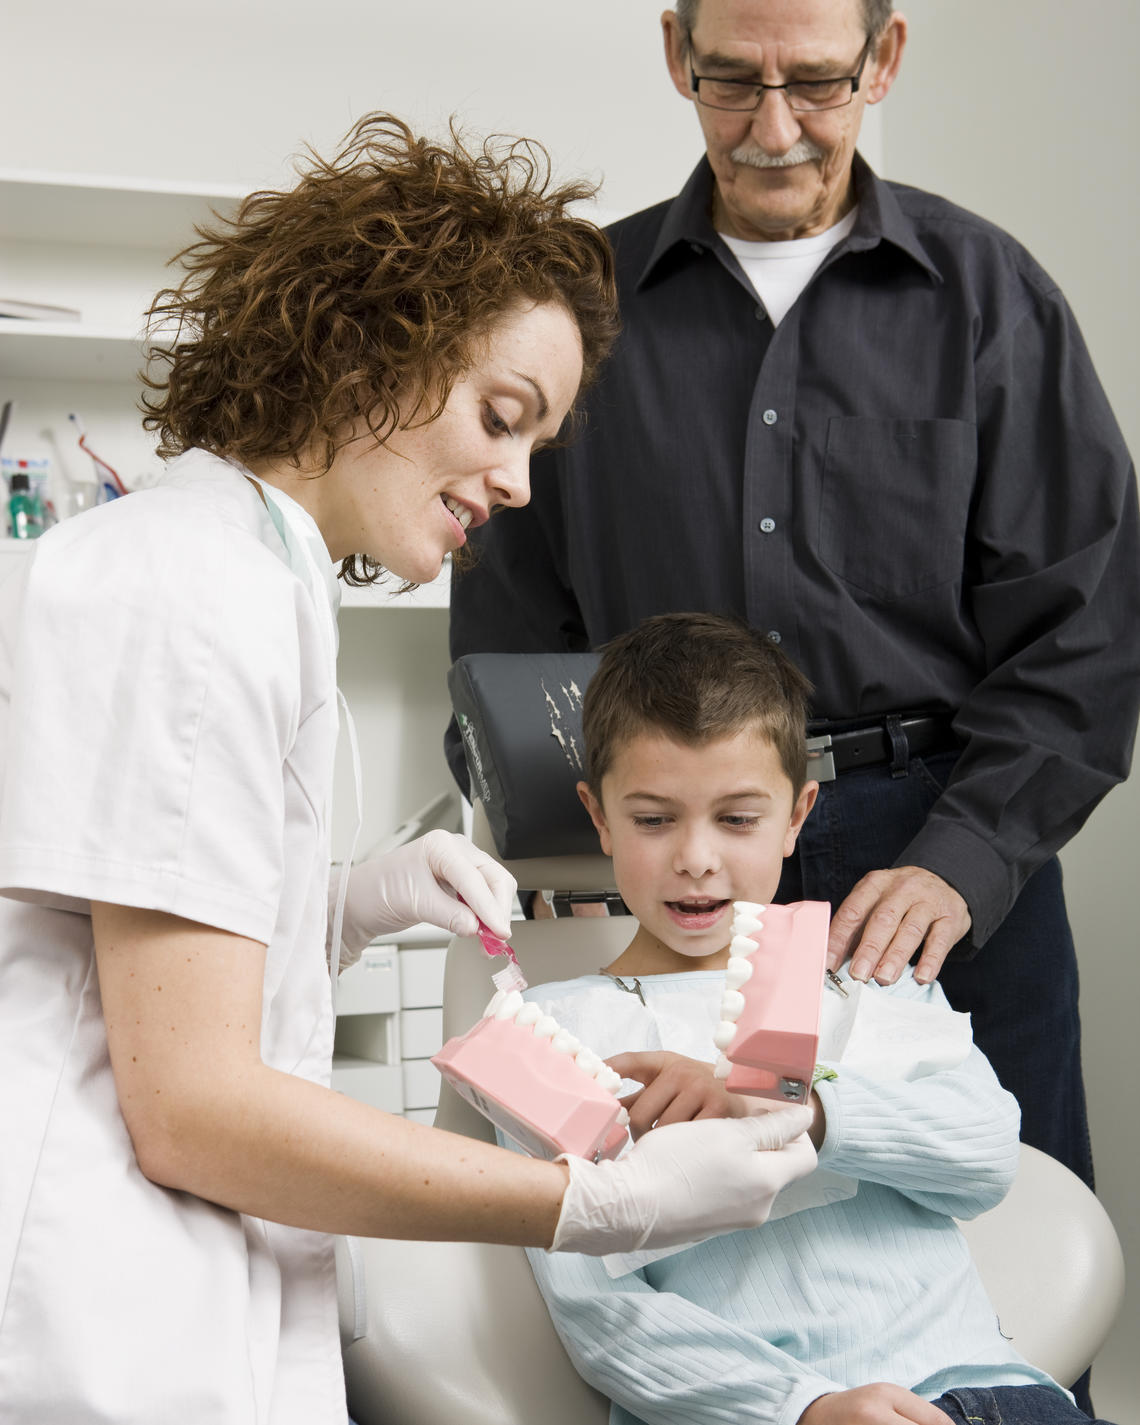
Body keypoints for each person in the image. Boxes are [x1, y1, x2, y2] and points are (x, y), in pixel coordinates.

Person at [0, 116, 818, 1424]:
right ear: (367, 350)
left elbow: (144, 954)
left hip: (183, 1294)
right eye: (501, 418)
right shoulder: (191, 582)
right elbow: (194, 1105)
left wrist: (341, 906)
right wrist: (589, 1204)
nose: (513, 481)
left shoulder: (254, 580)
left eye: (537, 446)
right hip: (104, 1315)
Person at [447, 0, 1140, 1214]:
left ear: (886, 58)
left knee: (1014, 1229)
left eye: (817, 83)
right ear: (675, 54)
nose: (775, 129)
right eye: (731, 82)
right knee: (692, 1235)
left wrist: (965, 862)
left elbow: (1087, 625)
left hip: (938, 853)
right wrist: (571, 841)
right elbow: (510, 617)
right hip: (670, 857)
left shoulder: (991, 299)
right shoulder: (576, 310)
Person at [500, 611, 1116, 1425]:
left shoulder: (863, 979)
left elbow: (986, 1156)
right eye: (653, 818)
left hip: (991, 1391)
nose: (697, 856)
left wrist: (806, 1108)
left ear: (797, 815)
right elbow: (604, 1319)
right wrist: (807, 1406)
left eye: (738, 817)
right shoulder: (549, 1036)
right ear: (598, 814)